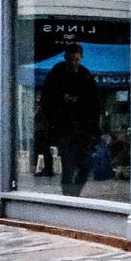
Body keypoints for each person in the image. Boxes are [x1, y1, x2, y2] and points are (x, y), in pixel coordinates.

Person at [41, 44, 100, 197]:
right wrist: (62, 100)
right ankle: (69, 196)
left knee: (84, 166)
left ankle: (73, 195)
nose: (74, 62)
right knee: (68, 166)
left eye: (76, 59)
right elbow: (47, 99)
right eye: (71, 59)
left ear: (80, 58)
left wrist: (94, 129)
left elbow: (93, 102)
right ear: (66, 57)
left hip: (82, 129)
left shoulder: (84, 74)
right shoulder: (57, 73)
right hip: (64, 128)